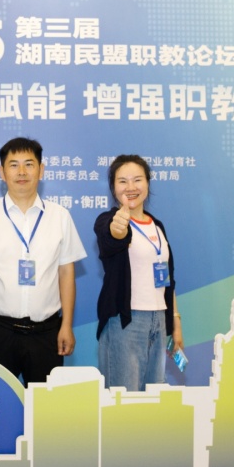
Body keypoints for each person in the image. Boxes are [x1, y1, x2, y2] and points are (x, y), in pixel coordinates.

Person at [0, 137, 87, 385]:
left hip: (47, 332)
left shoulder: (60, 216)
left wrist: (66, 325)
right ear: (2, 172)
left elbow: (66, 273)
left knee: (45, 406)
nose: (22, 172)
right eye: (14, 165)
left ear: (41, 169)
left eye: (29, 164)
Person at [94, 154, 183, 391]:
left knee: (153, 399)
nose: (131, 187)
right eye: (122, 181)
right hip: (126, 322)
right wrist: (118, 227)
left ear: (148, 183)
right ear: (113, 188)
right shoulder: (107, 220)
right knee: (123, 401)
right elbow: (113, 236)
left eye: (137, 180)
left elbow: (167, 279)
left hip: (159, 321)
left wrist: (175, 323)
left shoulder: (157, 226)